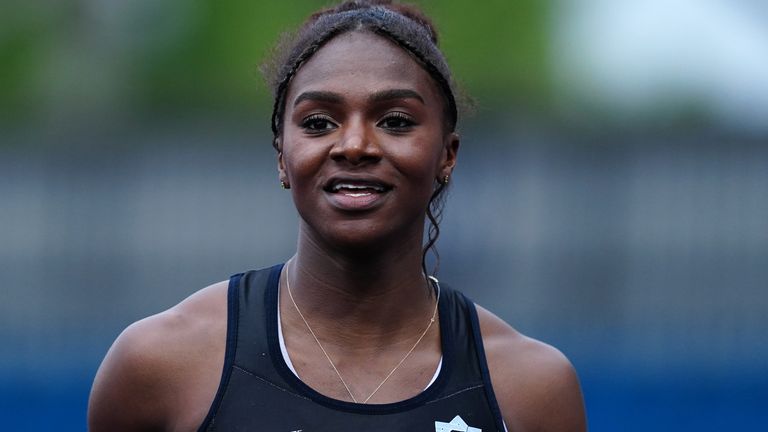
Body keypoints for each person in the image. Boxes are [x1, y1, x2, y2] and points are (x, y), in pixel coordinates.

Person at [88, 1, 586, 431]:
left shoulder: (528, 389)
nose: (353, 145)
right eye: (319, 123)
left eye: (395, 121)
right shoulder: (161, 365)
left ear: (446, 156)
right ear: (283, 155)